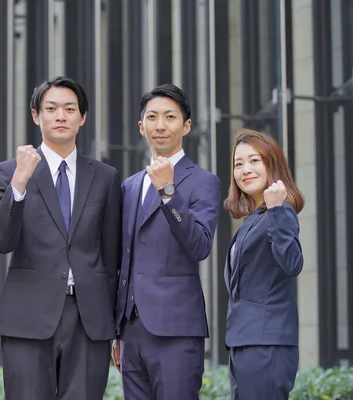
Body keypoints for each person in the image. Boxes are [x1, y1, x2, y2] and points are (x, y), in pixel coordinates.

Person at [0, 76, 122, 400]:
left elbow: (112, 256)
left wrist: (116, 328)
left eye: (69, 108)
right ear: (36, 115)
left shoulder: (105, 177)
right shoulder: (10, 171)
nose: (61, 115)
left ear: (83, 117)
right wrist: (20, 181)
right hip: (28, 316)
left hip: (89, 319)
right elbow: (1, 241)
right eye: (51, 108)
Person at [111, 83, 221, 399]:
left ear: (186, 125)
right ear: (141, 126)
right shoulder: (130, 186)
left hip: (176, 330)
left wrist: (168, 192)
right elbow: (124, 257)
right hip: (132, 330)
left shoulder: (203, 181)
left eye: (170, 117)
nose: (161, 125)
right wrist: (118, 331)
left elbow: (199, 245)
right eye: (153, 117)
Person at [223, 128, 305, 399]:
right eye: (238, 163)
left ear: (272, 164)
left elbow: (291, 264)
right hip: (245, 342)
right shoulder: (255, 219)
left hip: (266, 342)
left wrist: (278, 209)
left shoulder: (280, 213)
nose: (245, 169)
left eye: (254, 160)